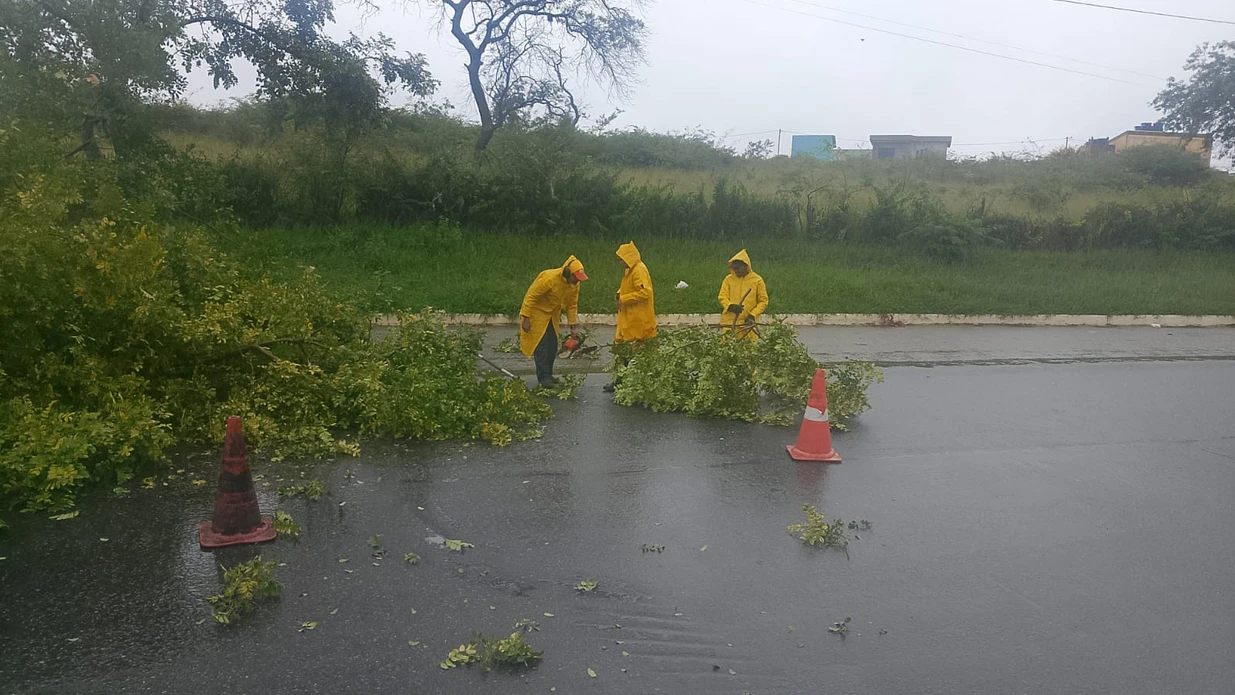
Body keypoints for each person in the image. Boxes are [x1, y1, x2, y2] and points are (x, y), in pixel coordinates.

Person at [520, 255, 587, 389]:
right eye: (576, 278)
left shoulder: (574, 285)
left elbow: (572, 305)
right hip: (537, 313)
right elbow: (531, 296)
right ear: (568, 273)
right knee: (542, 346)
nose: (577, 282)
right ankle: (543, 378)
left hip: (552, 315)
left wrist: (573, 326)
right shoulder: (549, 278)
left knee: (552, 346)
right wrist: (525, 317)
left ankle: (549, 375)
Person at [604, 242, 657, 393]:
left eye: (621, 259)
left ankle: (623, 381)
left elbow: (645, 292)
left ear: (628, 257)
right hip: (631, 319)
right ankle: (621, 381)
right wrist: (619, 293)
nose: (620, 262)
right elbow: (631, 287)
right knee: (624, 348)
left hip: (638, 320)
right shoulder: (632, 270)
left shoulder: (639, 270)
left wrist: (624, 298)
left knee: (633, 350)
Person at [717, 249, 768, 340]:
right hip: (730, 323)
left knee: (749, 350)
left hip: (748, 324)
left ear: (746, 266)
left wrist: (752, 315)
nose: (736, 270)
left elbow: (763, 301)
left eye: (738, 268)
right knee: (728, 349)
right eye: (734, 268)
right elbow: (722, 297)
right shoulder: (728, 279)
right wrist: (730, 306)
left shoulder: (757, 280)